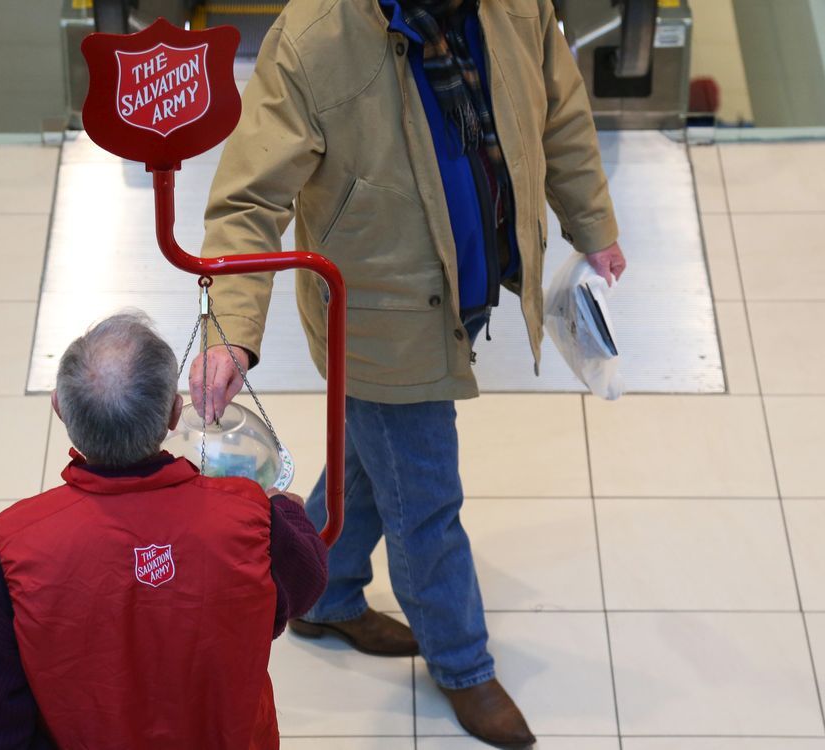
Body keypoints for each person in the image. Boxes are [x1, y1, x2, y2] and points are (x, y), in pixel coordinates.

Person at [192, 0, 627, 746]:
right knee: (425, 499)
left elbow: (558, 109)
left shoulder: (515, 7)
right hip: (377, 319)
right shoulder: (313, 38)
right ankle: (463, 665)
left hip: (465, 289)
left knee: (376, 450)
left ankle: (322, 595)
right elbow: (248, 199)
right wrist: (231, 333)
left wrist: (593, 224)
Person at [0, 312, 328, 749]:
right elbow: (308, 581)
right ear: (174, 413)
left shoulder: (11, 547)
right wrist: (287, 511)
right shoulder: (249, 519)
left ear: (59, 407)